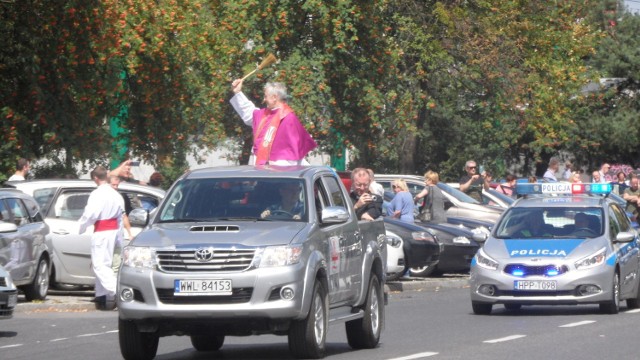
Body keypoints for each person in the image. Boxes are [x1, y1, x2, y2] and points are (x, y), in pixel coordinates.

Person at [230, 79, 317, 165]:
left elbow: (293, 153)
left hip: (283, 173)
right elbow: (248, 112)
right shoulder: (263, 115)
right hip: (262, 172)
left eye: (266, 96)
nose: (264, 99)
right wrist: (238, 92)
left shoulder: (288, 118)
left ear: (274, 97)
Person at [78, 166, 124, 310]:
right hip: (113, 231)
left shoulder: (98, 194)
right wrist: (119, 238)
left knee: (99, 265)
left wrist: (81, 226)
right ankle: (104, 297)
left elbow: (91, 213)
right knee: (106, 264)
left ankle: (116, 292)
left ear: (95, 178)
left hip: (102, 232)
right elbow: (120, 217)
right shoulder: (115, 194)